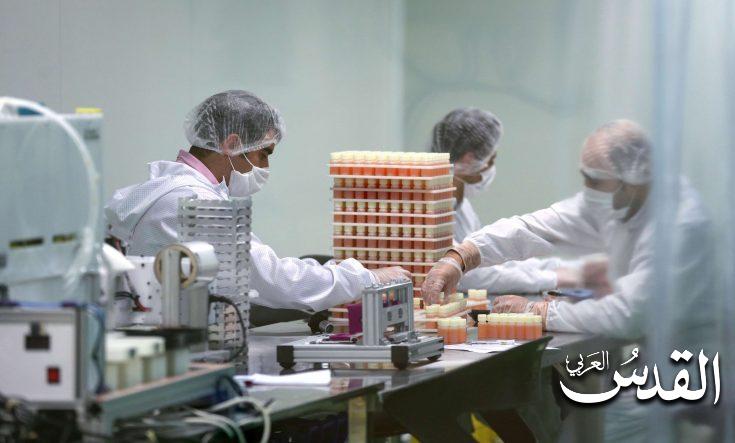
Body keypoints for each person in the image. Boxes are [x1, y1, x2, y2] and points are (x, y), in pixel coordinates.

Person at [105, 90, 410, 312]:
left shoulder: (160, 190)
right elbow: (274, 280)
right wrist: (367, 279)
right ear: (232, 143)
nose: (265, 166)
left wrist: (333, 271)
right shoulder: (195, 202)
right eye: (264, 153)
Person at [422, 119, 712, 341]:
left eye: (595, 181)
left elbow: (629, 314)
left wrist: (539, 311)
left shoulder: (682, 225)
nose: (588, 189)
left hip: (694, 360)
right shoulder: (623, 200)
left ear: (632, 182)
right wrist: (463, 255)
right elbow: (535, 228)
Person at [430, 107, 599, 294]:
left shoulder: (462, 205)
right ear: (468, 159)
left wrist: (564, 269)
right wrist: (555, 277)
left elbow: (494, 255)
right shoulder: (432, 211)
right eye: (491, 159)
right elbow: (472, 274)